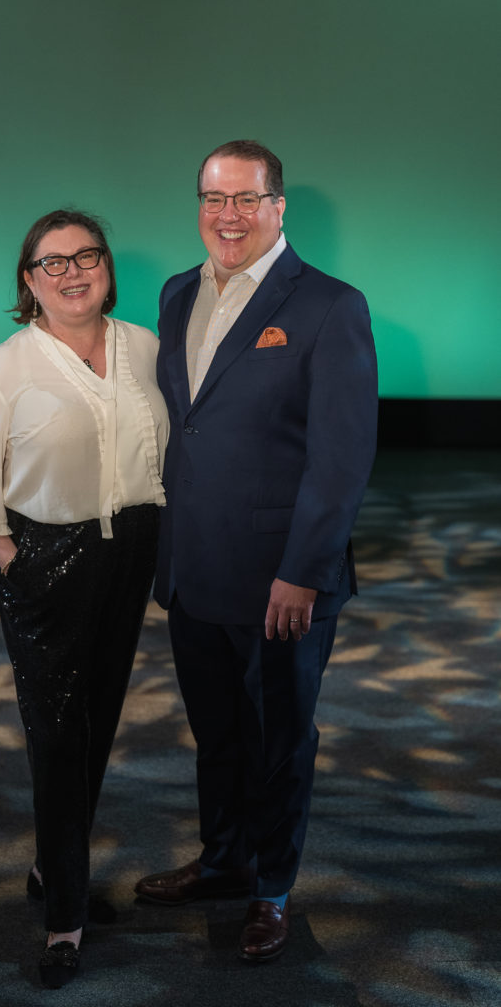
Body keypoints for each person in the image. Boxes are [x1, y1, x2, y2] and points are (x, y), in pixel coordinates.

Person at [135, 140, 378, 962]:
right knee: (218, 733)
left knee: (280, 739)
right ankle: (223, 862)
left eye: (245, 199)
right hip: (195, 566)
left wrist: (303, 572)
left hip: (281, 578)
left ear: (278, 207)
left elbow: (341, 459)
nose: (227, 216)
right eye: (213, 198)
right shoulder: (176, 293)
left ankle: (271, 889)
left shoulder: (329, 305)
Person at [0, 209, 168, 988]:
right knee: (59, 729)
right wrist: (15, 561)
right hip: (46, 557)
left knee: (99, 716)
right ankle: (65, 914)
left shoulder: (145, 347)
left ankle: (50, 863)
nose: (72, 272)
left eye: (86, 256)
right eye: (52, 262)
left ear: (106, 266)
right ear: (29, 283)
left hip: (133, 549)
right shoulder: (6, 365)